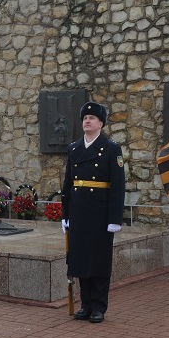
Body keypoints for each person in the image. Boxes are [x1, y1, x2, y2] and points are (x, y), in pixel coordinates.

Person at [62, 101, 126, 324]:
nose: (87, 121)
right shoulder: (73, 149)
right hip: (79, 211)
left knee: (98, 260)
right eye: (84, 118)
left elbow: (118, 186)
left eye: (91, 118)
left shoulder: (111, 149)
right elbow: (67, 185)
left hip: (100, 212)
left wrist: (115, 218)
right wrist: (65, 214)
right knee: (81, 259)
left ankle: (99, 306)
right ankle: (85, 304)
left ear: (101, 123)